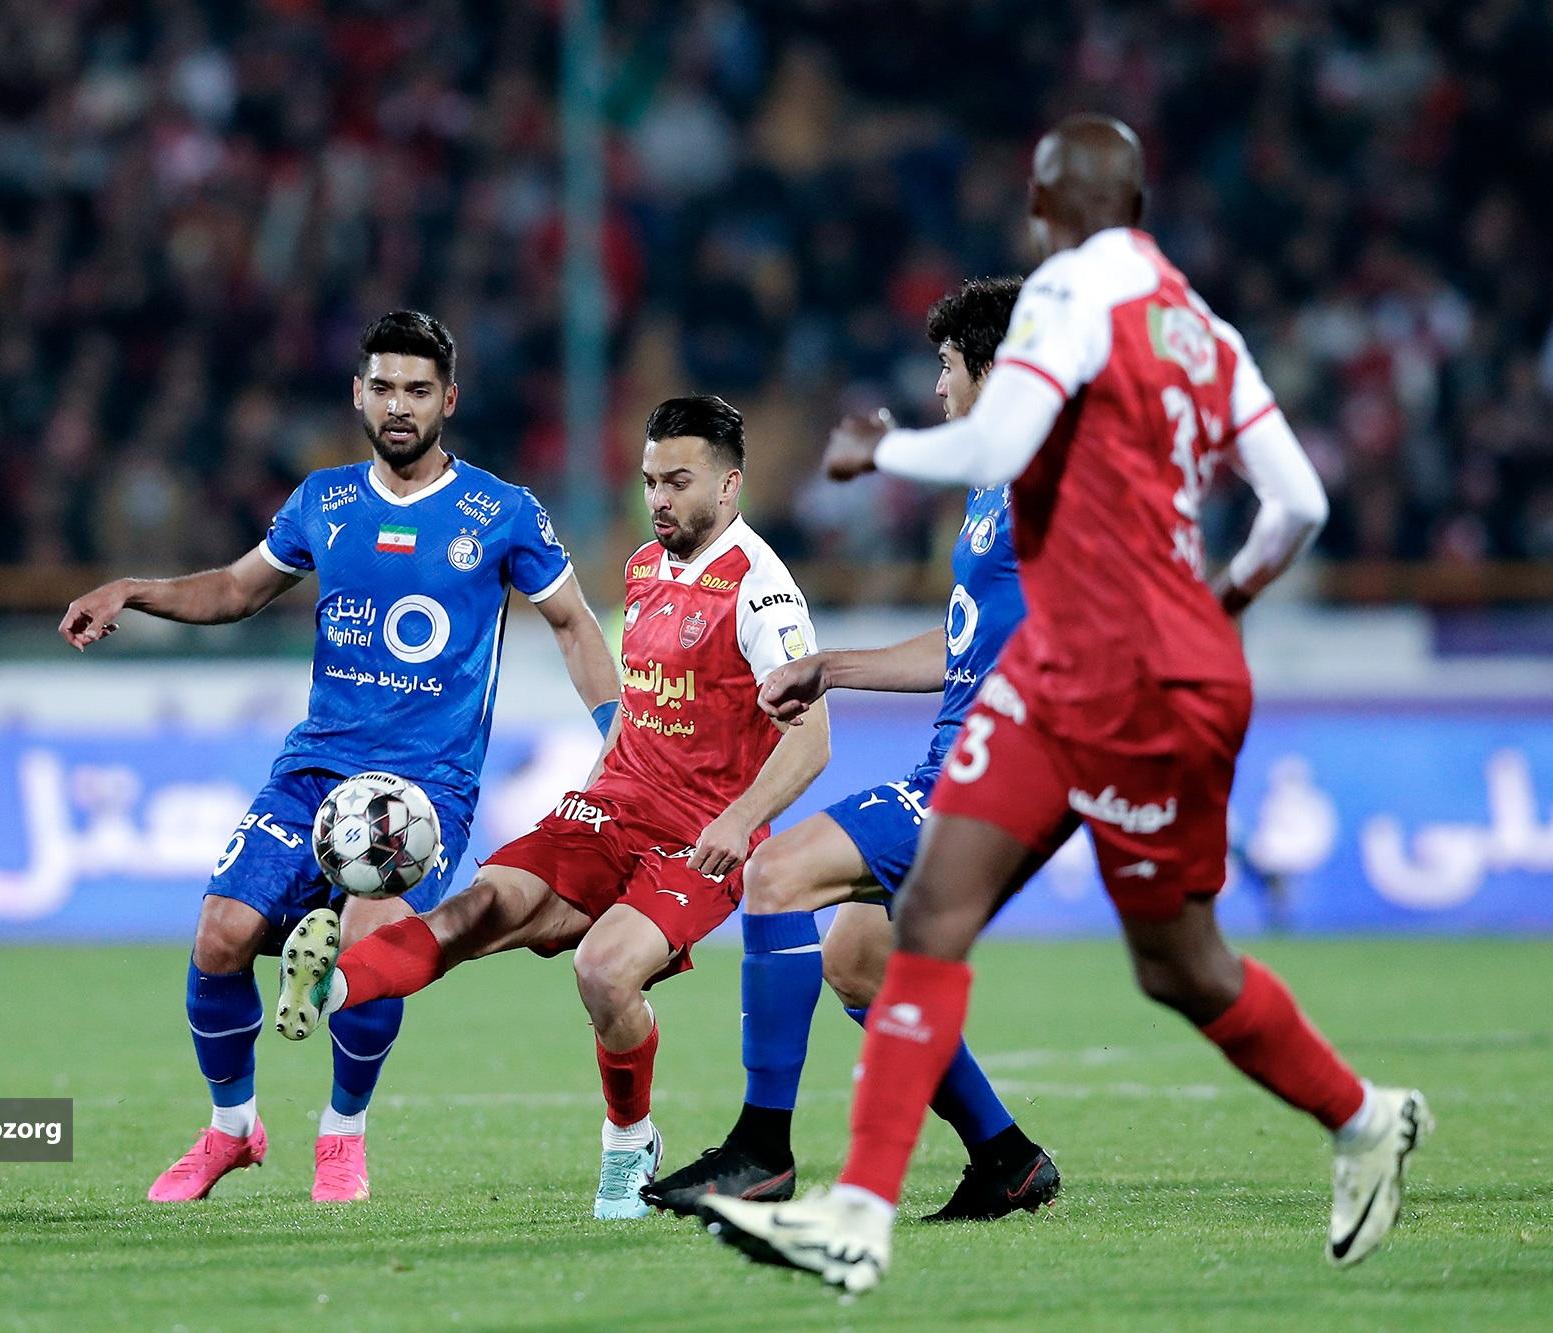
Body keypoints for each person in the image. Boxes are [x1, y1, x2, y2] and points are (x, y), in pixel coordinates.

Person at [702, 114, 1429, 1292]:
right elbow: (1296, 503)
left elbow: (994, 432)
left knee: (1073, 945)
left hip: (1092, 681)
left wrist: (880, 452)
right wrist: (1223, 602)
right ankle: (871, 1211)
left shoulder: (1066, 299)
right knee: (1113, 955)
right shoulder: (1205, 334)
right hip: (1164, 677)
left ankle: (1357, 1116)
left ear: (1045, 210)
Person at [59, 311, 620, 1205]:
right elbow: (236, 589)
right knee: (221, 932)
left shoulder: (502, 512)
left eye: (418, 390)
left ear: (449, 400)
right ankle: (232, 1128)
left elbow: (573, 624)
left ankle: (342, 1136)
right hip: (315, 770)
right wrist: (134, 588)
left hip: (425, 786)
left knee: (372, 939)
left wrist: (620, 731)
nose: (399, 406)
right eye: (384, 387)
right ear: (358, 393)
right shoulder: (323, 500)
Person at [270, 395, 830, 1219]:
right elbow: (641, 705)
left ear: (728, 484)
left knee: (603, 971)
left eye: (678, 482)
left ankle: (629, 1141)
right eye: (650, 480)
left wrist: (741, 820)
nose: (659, 498)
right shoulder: (643, 568)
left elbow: (812, 740)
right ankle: (331, 985)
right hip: (613, 806)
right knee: (477, 909)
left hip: (698, 833)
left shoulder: (763, 593)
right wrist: (595, 783)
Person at [646, 277, 1057, 1222]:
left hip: (996, 776)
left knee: (776, 873)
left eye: (948, 366)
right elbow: (963, 647)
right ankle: (1007, 1159)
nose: (938, 385)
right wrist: (831, 667)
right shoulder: (994, 488)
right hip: (953, 763)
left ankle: (760, 1152)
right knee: (859, 960)